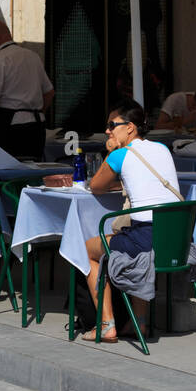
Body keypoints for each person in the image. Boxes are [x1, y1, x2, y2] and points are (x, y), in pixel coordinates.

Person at [80, 100, 183, 342]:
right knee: (130, 234)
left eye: (112, 125)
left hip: (145, 239)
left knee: (87, 250)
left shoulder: (120, 155)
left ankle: (106, 324)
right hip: (173, 240)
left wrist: (110, 152)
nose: (107, 131)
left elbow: (95, 186)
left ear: (130, 128)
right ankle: (140, 323)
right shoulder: (162, 149)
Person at [0, 20, 54, 159]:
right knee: (33, 170)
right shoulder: (32, 56)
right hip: (37, 126)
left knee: (8, 171)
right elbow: (49, 92)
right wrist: (37, 112)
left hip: (10, 129)